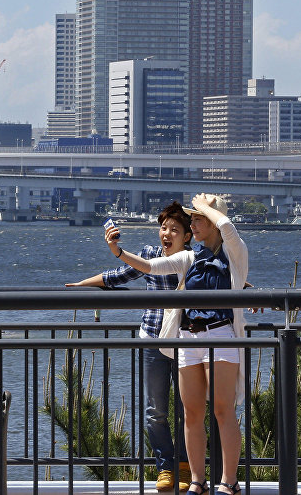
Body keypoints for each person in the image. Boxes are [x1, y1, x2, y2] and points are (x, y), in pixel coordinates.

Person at [105, 193, 248, 495]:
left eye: (198, 219)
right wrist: (119, 252)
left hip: (220, 335)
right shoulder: (191, 257)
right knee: (192, 413)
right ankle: (198, 480)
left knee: (222, 411)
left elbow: (230, 230)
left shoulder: (234, 254)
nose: (192, 224)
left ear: (213, 222)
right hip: (187, 338)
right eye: (193, 218)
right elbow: (151, 266)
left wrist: (209, 209)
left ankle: (230, 481)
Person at [66, 201, 194, 492]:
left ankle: (186, 467)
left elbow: (221, 280)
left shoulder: (193, 259)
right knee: (156, 410)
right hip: (152, 338)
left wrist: (247, 291)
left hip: (185, 340)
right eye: (163, 227)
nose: (167, 233)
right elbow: (117, 277)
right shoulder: (149, 254)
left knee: (190, 408)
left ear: (187, 235)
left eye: (174, 229)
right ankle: (165, 468)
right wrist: (81, 285)